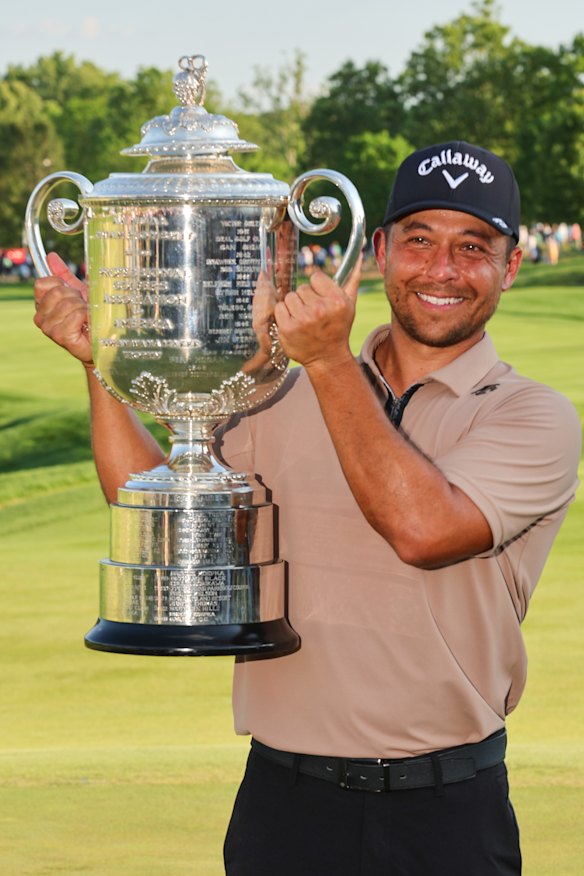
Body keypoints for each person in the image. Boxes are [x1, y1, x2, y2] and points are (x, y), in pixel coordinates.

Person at [34, 141, 581, 876]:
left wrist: (325, 359)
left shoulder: (532, 414)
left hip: (447, 813)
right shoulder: (279, 392)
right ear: (379, 251)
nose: (442, 269)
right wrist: (99, 365)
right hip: (285, 809)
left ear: (509, 267)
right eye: (419, 240)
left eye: (473, 247)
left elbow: (424, 530)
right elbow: (165, 511)